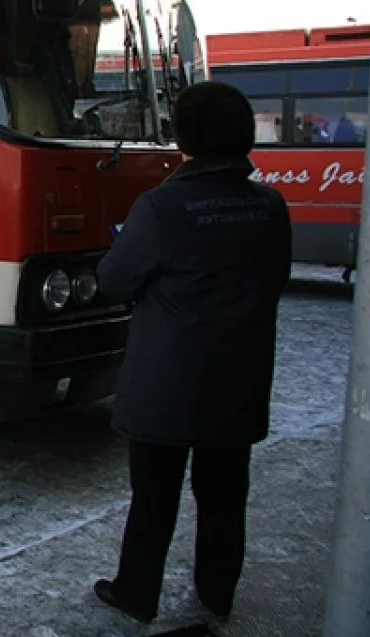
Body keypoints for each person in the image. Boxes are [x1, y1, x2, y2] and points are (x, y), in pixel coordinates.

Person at [94, 81, 292, 623]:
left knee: (154, 500)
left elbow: (113, 280)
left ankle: (136, 593)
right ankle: (216, 592)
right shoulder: (270, 207)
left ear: (182, 136)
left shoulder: (161, 207)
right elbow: (274, 278)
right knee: (225, 499)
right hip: (239, 381)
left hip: (167, 387)